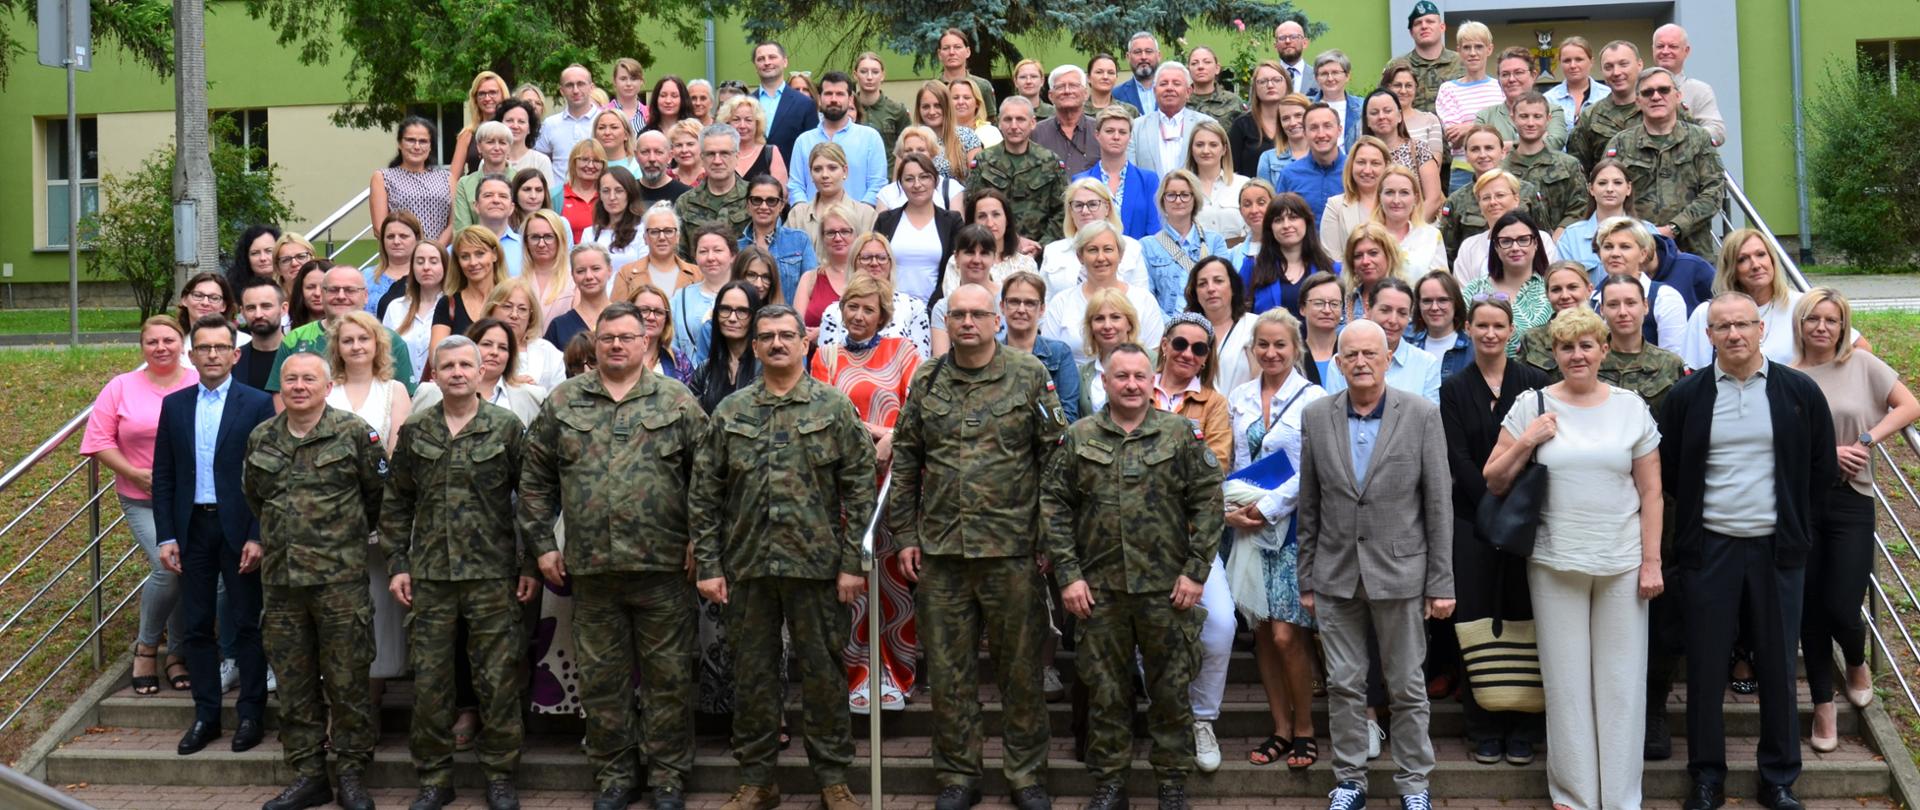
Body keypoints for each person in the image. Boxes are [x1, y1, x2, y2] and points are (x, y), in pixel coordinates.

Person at [518, 303, 706, 810]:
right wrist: (542, 545)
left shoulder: (677, 400)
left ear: (646, 342)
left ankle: (667, 777)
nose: (618, 345)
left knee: (667, 679)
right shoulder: (564, 402)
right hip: (592, 568)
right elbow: (534, 482)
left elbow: (708, 479)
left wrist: (699, 542)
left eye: (627, 337)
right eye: (608, 338)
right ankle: (615, 776)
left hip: (664, 568)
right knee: (603, 682)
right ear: (595, 344)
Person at [691, 303, 874, 810]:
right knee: (751, 675)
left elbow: (859, 492)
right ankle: (756, 779)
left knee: (823, 674)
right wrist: (708, 565)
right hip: (747, 567)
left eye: (786, 335)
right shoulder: (730, 412)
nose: (776, 343)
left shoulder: (833, 408)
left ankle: (833, 781)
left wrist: (852, 563)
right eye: (766, 336)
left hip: (817, 569)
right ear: (754, 347)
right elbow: (704, 494)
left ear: (804, 343)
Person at [1659, 293, 1839, 810]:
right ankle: (1707, 776)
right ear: (1709, 335)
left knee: (1779, 665)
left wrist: (1796, 527)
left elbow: (1820, 467)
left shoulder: (1798, 392)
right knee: (1707, 665)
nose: (1734, 334)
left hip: (1776, 549)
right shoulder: (1687, 396)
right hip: (1709, 547)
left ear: (1761, 328)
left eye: (1742, 324)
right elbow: (1672, 471)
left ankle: (1779, 778)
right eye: (1722, 327)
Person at [1482, 306, 1663, 809]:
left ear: (1604, 349)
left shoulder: (1631, 406)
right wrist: (1528, 439)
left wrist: (1652, 562)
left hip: (1623, 561)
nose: (1577, 355)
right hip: (1555, 558)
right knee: (1566, 681)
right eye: (1566, 347)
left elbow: (1652, 493)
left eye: (1587, 345)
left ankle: (1621, 797)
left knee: (1622, 684)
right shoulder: (1531, 404)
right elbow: (1494, 479)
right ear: (1554, 354)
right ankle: (1575, 794)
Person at [1042, 342, 1223, 810]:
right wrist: (1068, 575)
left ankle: (1171, 784)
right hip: (1099, 591)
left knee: (1170, 691)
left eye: (1140, 376)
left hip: (1168, 590)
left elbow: (1208, 503)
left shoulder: (1181, 434)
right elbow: (1054, 508)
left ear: (1152, 380)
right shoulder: (1079, 438)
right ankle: (1110, 784)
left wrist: (1196, 571)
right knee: (1105, 693)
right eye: (1121, 376)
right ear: (1104, 381)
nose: (1131, 384)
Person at [1296, 317, 1454, 810]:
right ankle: (1349, 782)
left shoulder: (1423, 414)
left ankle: (1414, 786)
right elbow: (1310, 501)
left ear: (1388, 359)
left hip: (1402, 572)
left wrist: (1441, 580)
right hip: (1335, 572)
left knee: (1407, 685)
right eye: (1351, 356)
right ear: (1338, 363)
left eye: (1371, 354)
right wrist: (1306, 578)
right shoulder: (1317, 415)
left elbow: (1438, 504)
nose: (1361, 362)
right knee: (1344, 685)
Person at [380, 335, 532, 810]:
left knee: (498, 680)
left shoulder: (506, 427)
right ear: (435, 373)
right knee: (430, 683)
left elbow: (530, 501)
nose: (459, 372)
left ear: (481, 368)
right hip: (430, 576)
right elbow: (397, 502)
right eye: (448, 365)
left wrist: (531, 562)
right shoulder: (417, 429)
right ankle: (434, 777)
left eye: (467, 363)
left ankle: (501, 775)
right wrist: (399, 564)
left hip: (492, 575)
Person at [242, 350, 387, 810]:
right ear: (280, 387)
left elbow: (379, 497)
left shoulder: (354, 433)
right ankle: (308, 774)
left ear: (328, 386)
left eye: (309, 378)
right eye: (290, 379)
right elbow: (256, 500)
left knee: (347, 682)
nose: (299, 386)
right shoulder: (262, 437)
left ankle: (350, 774)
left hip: (339, 582)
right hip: (282, 584)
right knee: (294, 682)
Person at [1792, 288, 1920, 753]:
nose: (1822, 327)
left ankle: (1857, 659)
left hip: (1851, 499)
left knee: (1843, 604)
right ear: (1800, 324)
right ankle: (1823, 704)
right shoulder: (1787, 376)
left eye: (1831, 320)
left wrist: (1866, 440)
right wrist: (1825, 455)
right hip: (1804, 502)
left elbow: (1909, 406)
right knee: (1809, 605)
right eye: (1813, 319)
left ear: (1843, 326)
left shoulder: (1863, 366)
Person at [154, 315, 274, 756]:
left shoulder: (258, 403)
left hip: (240, 528)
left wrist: (259, 534)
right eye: (203, 348)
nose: (212, 355)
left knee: (246, 623)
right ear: (191, 356)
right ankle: (205, 715)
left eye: (220, 348)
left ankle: (250, 715)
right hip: (192, 528)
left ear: (234, 354)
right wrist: (166, 535)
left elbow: (268, 477)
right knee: (198, 625)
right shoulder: (175, 405)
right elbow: (163, 475)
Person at [1437, 296, 1548, 767]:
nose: (1489, 334)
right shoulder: (1453, 388)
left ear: (1511, 331)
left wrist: (1510, 507)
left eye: (1498, 325)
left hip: (1526, 518)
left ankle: (1524, 726)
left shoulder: (1536, 384)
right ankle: (1482, 725)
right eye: (1480, 325)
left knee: (1527, 615)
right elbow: (1457, 457)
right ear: (1468, 328)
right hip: (1472, 520)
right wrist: (1489, 507)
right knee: (1475, 617)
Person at [808, 273, 922, 709]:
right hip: (844, 485)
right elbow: (825, 414)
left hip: (893, 484)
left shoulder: (903, 352)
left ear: (882, 315)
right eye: (851, 307)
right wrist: (879, 432)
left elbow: (914, 414)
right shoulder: (827, 356)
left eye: (868, 309)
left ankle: (895, 674)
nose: (858, 315)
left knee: (892, 582)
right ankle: (857, 675)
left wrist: (892, 438)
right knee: (852, 584)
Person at [1223, 309, 1326, 769]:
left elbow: (1313, 467)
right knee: (1262, 631)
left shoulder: (1313, 397)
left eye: (1279, 345)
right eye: (1262, 344)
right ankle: (1280, 728)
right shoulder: (1239, 396)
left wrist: (1265, 509)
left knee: (1287, 634)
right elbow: (1232, 460)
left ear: (1295, 348)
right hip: (1246, 527)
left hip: (1290, 528)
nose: (1270, 352)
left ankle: (1305, 728)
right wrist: (1234, 509)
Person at [84, 317, 201, 697]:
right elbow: (99, 440)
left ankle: (177, 654)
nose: (161, 347)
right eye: (152, 341)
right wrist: (133, 473)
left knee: (187, 571)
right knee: (166, 566)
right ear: (142, 346)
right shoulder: (121, 386)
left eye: (169, 340)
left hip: (192, 499)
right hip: (142, 498)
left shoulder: (198, 381)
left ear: (182, 344)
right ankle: (147, 648)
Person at [1679, 229, 1861, 369]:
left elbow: (1859, 349)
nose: (1756, 265)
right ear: (1731, 269)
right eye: (1743, 259)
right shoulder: (1707, 313)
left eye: (1760, 254)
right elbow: (1691, 374)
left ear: (1772, 259)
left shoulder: (1804, 306)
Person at [1604, 67, 1726, 258]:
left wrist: (1674, 228)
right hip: (1635, 251)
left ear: (1678, 96)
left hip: (1692, 250)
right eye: (1647, 92)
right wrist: (1639, 232)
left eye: (1664, 90)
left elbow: (1714, 192)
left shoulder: (1699, 139)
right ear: (1638, 101)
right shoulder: (1620, 144)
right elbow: (1608, 195)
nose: (1656, 96)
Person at [269, 264, 419, 398]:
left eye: (350, 290)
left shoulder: (390, 340)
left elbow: (406, 397)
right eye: (333, 290)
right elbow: (279, 393)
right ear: (322, 295)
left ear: (365, 296)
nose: (341, 296)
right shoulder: (294, 339)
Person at [1041, 220, 1166, 363]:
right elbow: (1050, 357)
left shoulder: (1144, 300)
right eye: (1092, 250)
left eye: (1108, 249)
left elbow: (1153, 359)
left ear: (1121, 254)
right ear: (1080, 256)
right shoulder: (1061, 302)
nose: (1101, 258)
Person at [1325, 272, 1444, 404]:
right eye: (1385, 310)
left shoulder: (1425, 364)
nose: (1393, 320)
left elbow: (1429, 421)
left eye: (1402, 313)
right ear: (1368, 309)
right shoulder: (1342, 362)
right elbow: (1334, 416)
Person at [973, 97, 1069, 246]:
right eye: (1007, 119)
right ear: (999, 122)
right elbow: (973, 208)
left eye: (1020, 119)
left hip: (1039, 250)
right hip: (994, 248)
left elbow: (1063, 210)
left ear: (1032, 123)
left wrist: (1041, 245)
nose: (1014, 126)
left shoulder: (1050, 161)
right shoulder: (983, 161)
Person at [1138, 169, 1230, 320]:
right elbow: (1147, 298)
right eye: (1171, 195)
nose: (1178, 200)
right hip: (1166, 329)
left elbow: (1224, 291)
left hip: (1208, 326)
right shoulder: (1146, 246)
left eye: (1185, 195)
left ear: (1195, 199)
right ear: (1163, 200)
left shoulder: (1214, 242)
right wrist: (1173, 327)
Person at [820, 234, 934, 357]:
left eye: (881, 257)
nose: (874, 263)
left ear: (890, 263)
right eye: (866, 257)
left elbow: (921, 366)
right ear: (854, 262)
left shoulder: (913, 308)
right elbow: (826, 362)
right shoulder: (833, 312)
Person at [1590, 217, 1691, 351]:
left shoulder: (1664, 297)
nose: (1615, 253)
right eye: (1608, 247)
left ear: (1643, 254)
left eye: (1625, 247)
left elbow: (1674, 360)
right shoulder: (1592, 300)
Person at [1595, 273, 1690, 414]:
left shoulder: (1670, 364)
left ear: (1645, 306)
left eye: (1631, 303)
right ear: (1602, 310)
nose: (1622, 312)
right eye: (1613, 304)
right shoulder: (1590, 361)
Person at [788, 72, 887, 205]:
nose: (834, 99)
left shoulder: (870, 138)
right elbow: (795, 186)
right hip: (812, 222)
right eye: (828, 94)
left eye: (840, 94)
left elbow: (877, 184)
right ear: (819, 98)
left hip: (858, 221)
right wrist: (805, 214)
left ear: (850, 98)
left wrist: (861, 214)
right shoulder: (803, 141)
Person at [875, 154, 963, 302]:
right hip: (891, 308)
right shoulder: (886, 220)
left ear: (935, 181)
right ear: (900, 184)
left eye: (924, 177)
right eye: (909, 179)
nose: (917, 184)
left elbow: (957, 268)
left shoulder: (952, 222)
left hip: (937, 309)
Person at [1462, 211, 1554, 350]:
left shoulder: (1552, 289)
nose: (1515, 248)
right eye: (1506, 241)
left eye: (1523, 240)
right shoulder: (1474, 290)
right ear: (1496, 247)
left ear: (1535, 243)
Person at [999, 271, 1083, 421]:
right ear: (1002, 306)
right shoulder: (990, 355)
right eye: (1014, 302)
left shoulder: (1059, 354)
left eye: (1030, 303)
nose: (1021, 310)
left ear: (1042, 309)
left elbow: (1068, 416)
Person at [1448, 166, 1556, 282]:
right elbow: (1463, 293)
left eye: (1500, 195)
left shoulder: (1541, 239)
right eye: (1486, 198)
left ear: (1516, 199)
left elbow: (1549, 283)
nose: (1493, 202)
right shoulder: (1469, 246)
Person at [1502, 92, 1587, 236]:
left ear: (1548, 119)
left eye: (1537, 116)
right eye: (1524, 116)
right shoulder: (1501, 168)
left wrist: (1559, 234)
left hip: (1559, 244)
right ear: (1512, 119)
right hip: (1513, 245)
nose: (1530, 123)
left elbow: (1581, 206)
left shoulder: (1568, 165)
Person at [1243, 193, 1337, 318]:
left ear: (1306, 222)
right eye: (1278, 220)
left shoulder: (1332, 269)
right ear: (1270, 228)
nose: (1286, 225)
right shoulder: (1252, 267)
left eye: (1293, 217)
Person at [1077, 105, 1163, 239]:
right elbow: (1077, 230)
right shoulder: (1081, 181)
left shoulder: (1148, 180)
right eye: (1110, 131)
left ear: (1130, 137)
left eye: (1122, 132)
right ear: (1097, 135)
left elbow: (1155, 231)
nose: (1116, 137)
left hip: (1139, 256)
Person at [1434, 22, 1501, 189]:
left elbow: (1509, 130)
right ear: (1459, 51)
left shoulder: (1500, 86)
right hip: (1462, 174)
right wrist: (1491, 124)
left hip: (1499, 169)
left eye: (1478, 47)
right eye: (1466, 47)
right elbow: (1455, 139)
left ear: (1489, 49)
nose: (1473, 53)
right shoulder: (1448, 89)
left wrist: (1468, 127)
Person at [1556, 159, 1652, 274]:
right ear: (1591, 189)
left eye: (1617, 183)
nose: (1609, 189)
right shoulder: (1571, 237)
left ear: (1628, 188)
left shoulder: (1649, 231)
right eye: (1602, 183)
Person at [1362, 89, 1443, 223]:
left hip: (1415, 232)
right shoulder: (1362, 155)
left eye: (1387, 111)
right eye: (1374, 113)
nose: (1381, 116)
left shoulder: (1418, 149)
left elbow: (1433, 199)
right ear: (1367, 121)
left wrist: (1410, 231)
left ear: (1399, 116)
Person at [937, 190, 1038, 298]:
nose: (990, 223)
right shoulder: (958, 261)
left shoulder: (1026, 264)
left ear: (1007, 219)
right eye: (982, 216)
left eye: (996, 215)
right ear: (973, 222)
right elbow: (951, 302)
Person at [371, 116, 454, 246]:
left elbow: (453, 223)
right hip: (401, 257)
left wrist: (434, 251)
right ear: (399, 143)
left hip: (438, 258)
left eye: (423, 141)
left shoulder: (447, 178)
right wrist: (410, 251)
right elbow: (379, 227)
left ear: (430, 146)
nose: (417, 146)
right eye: (410, 140)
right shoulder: (383, 177)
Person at [674, 124, 754, 257]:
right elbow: (680, 255)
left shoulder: (754, 198)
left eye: (724, 153)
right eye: (711, 154)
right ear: (702, 158)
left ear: (737, 157)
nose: (717, 161)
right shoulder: (685, 203)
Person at [1568, 41, 1648, 171]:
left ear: (1639, 65)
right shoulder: (1590, 116)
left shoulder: (1660, 107)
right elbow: (1579, 169)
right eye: (1608, 67)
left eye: (1623, 64)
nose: (1616, 72)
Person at [1129, 62, 1218, 177]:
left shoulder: (1207, 125)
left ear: (1188, 92)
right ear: (1155, 91)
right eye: (1163, 84)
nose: (1169, 88)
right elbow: (1131, 173)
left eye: (1176, 84)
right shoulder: (1136, 127)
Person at [739, 174, 817, 303]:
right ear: (748, 204)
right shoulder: (737, 248)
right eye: (757, 200)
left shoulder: (800, 241)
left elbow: (812, 288)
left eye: (771, 201)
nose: (764, 206)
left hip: (789, 320)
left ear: (781, 205)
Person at [1187, 257, 1259, 395]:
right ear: (1195, 293)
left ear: (1233, 287)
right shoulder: (1185, 332)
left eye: (1218, 281)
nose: (1211, 289)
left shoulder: (1255, 326)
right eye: (1202, 284)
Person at [1475, 48, 1569, 152]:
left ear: (1533, 75)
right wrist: (1538, 141)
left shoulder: (1553, 111)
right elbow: (1482, 151)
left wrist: (1503, 146)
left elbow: (1554, 143)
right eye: (1505, 74)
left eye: (1518, 72)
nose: (1511, 79)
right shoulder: (1485, 117)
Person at [690, 283, 764, 413]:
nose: (732, 318)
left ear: (754, 317)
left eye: (742, 311)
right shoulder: (705, 371)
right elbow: (693, 420)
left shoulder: (768, 369)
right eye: (725, 309)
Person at [433, 227, 510, 352]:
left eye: (480, 254)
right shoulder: (448, 304)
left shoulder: (510, 299)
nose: (473, 262)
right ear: (458, 262)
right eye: (465, 256)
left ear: (494, 254)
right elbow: (436, 356)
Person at [786, 142, 880, 246]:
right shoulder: (798, 215)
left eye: (832, 168)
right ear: (811, 174)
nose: (825, 175)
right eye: (817, 169)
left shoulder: (866, 214)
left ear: (845, 171)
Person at [484, 277, 569, 390]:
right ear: (491, 309)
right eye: (507, 306)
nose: (514, 315)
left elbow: (559, 400)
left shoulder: (549, 352)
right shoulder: (475, 348)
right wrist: (509, 383)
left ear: (531, 316)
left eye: (522, 309)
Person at [794, 201, 862, 342]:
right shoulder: (810, 279)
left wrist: (825, 331)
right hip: (815, 360)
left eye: (844, 231)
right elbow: (796, 329)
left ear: (856, 235)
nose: (838, 238)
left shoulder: (869, 277)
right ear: (822, 238)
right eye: (831, 233)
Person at [1514, 262, 1594, 378]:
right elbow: (1519, 383)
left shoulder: (1604, 336)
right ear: (1547, 294)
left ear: (1589, 289)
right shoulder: (1532, 339)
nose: (1565, 296)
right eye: (1556, 290)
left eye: (1572, 287)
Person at [1069, 289, 1141, 417]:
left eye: (1115, 317)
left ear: (1129, 324)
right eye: (1099, 319)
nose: (1107, 326)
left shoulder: (1150, 363)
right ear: (1091, 327)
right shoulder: (1083, 373)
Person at [1651, 25, 1727, 146]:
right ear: (1653, 49)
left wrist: (1683, 138)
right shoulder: (1640, 89)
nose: (1665, 51)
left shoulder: (1699, 90)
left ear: (1686, 51)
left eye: (1673, 46)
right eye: (1660, 46)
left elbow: (1717, 132)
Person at [673, 227, 740, 365]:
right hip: (691, 382)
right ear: (695, 257)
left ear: (733, 255)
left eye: (718, 250)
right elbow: (672, 344)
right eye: (703, 251)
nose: (710, 258)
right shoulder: (680, 298)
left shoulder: (745, 296)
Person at [1317, 136, 1389, 257]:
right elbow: (1332, 258)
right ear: (1351, 165)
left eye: (1375, 163)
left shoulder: (1397, 203)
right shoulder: (1335, 206)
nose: (1367, 170)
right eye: (1361, 162)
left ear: (1386, 166)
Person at [612, 205, 698, 304]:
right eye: (654, 232)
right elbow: (616, 315)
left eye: (668, 231)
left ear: (678, 237)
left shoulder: (697, 275)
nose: (662, 237)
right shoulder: (626, 274)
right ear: (645, 238)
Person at [1275, 104, 1345, 223]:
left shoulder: (1355, 171)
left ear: (1339, 130)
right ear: (1305, 133)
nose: (1321, 134)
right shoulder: (1290, 175)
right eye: (1313, 128)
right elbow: (1278, 219)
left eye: (1327, 126)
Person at [534, 65, 603, 184]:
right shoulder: (550, 124)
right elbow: (541, 161)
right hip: (559, 198)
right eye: (569, 85)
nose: (575, 90)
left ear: (591, 88)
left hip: (598, 196)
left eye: (581, 84)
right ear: (562, 91)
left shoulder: (604, 121)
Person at [752, 41, 821, 161]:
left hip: (791, 175)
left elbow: (813, 149)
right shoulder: (746, 102)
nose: (767, 62)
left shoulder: (805, 104)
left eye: (772, 57)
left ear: (785, 62)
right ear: (755, 65)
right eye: (761, 59)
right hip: (751, 177)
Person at [1374, 166, 1447, 277]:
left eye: (1404, 193)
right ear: (1379, 197)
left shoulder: (1431, 236)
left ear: (1416, 198)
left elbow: (1442, 284)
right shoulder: (1367, 235)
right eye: (1389, 192)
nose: (1396, 200)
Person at [1185, 120, 1249, 245]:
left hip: (1237, 258)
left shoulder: (1243, 185)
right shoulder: (1183, 188)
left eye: (1213, 145)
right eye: (1199, 145)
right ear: (1191, 149)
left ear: (1224, 149)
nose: (1206, 150)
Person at [1379, 63, 1446, 181]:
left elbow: (1435, 166)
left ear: (1416, 88)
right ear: (1388, 88)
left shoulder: (1430, 120)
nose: (1403, 91)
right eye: (1397, 85)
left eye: (1409, 85)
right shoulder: (1379, 121)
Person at [455, 125, 526, 234]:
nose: (497, 148)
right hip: (475, 246)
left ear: (509, 148)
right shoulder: (465, 184)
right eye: (490, 142)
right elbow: (462, 230)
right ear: (479, 147)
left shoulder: (521, 180)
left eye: (502, 143)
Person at [878, 127, 968, 208]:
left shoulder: (952, 189)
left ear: (932, 153)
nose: (914, 154)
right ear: (901, 155)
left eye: (921, 150)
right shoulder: (887, 193)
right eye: (908, 150)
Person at [1032, 65, 1098, 177]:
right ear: (1051, 96)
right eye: (1060, 87)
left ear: (1086, 94)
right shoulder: (1035, 133)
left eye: (1073, 85)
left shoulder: (1100, 131)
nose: (1067, 91)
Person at [1397, 2, 1463, 112]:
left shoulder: (1462, 63)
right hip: (1411, 128)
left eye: (1430, 21)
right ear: (1411, 32)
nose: (1424, 26)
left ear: (1442, 27)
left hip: (1455, 128)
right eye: (1418, 23)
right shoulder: (1397, 66)